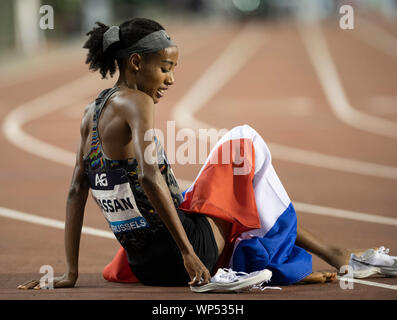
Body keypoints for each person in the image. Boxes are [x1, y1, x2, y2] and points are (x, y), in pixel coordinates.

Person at [18, 18, 396, 290]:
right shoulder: (136, 102)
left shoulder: (90, 112)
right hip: (184, 254)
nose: (170, 79)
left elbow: (75, 191)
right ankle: (329, 254)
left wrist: (69, 273)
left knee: (226, 194)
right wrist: (188, 254)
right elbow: (149, 178)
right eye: (165, 68)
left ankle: (330, 253)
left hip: (146, 268)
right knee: (245, 143)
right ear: (136, 63)